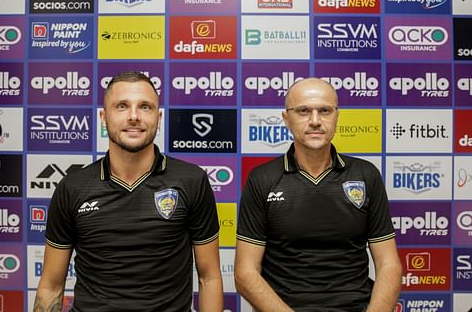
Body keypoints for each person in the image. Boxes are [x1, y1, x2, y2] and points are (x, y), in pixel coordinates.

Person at [34, 71, 223, 312]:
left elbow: (209, 277)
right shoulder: (73, 188)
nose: (134, 116)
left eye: (145, 107)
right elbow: (51, 285)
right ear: (104, 117)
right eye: (121, 106)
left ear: (159, 117)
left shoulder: (191, 181)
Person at [235, 78, 402, 312]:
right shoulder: (262, 179)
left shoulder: (366, 175)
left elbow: (388, 264)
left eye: (324, 111)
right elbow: (245, 272)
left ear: (336, 116)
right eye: (303, 111)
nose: (315, 121)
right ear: (286, 119)